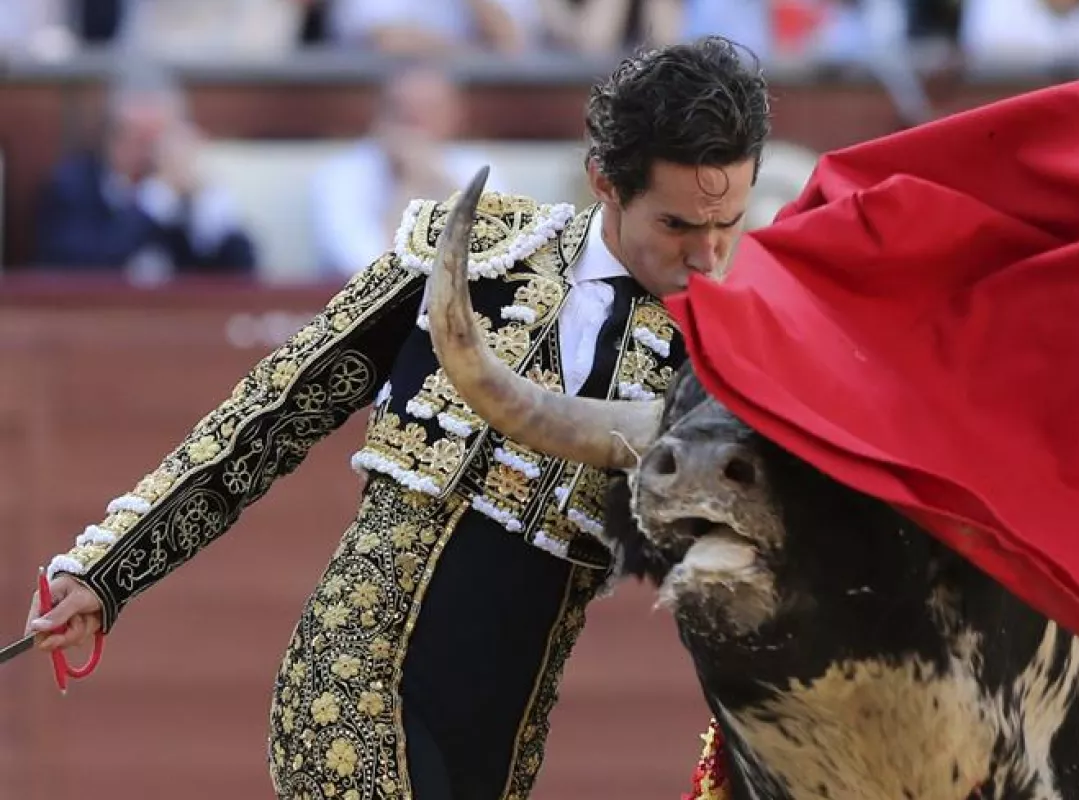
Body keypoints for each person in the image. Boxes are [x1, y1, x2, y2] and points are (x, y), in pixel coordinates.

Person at [25, 35, 771, 800]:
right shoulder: (475, 255)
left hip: (500, 736)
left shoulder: (714, 361)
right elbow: (274, 413)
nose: (708, 258)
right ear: (604, 182)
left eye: (729, 225)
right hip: (353, 683)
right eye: (678, 227)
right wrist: (110, 569)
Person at [31, 65, 258, 281]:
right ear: (111, 138)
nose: (151, 154)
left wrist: (208, 206)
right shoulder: (71, 187)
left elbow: (243, 278)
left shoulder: (188, 194)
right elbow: (79, 273)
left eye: (160, 139)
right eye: (138, 139)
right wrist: (155, 198)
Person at [309, 61, 503, 279]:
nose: (414, 120)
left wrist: (439, 179)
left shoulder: (476, 168)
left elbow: (493, 258)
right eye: (401, 110)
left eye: (430, 109)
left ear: (456, 115)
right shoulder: (340, 175)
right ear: (380, 114)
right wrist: (411, 184)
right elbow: (369, 272)